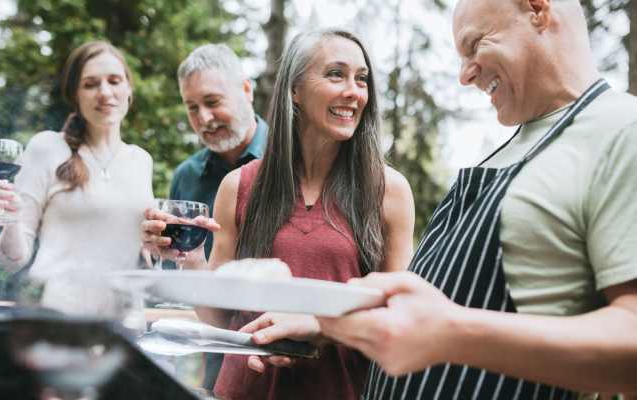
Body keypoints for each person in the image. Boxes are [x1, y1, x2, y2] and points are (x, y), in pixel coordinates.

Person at [248, 1, 637, 399]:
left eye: (475, 45)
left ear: (537, 10)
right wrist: (324, 322)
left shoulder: (621, 130)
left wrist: (453, 332)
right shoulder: (516, 144)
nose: (465, 74)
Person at [143, 28, 415, 400]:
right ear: (295, 91)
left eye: (362, 79)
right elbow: (218, 318)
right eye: (336, 74)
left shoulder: (390, 190)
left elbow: (399, 318)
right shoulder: (238, 186)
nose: (354, 91)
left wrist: (320, 325)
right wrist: (187, 254)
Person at [0, 41, 153, 315]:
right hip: (57, 322)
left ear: (128, 89)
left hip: (124, 327)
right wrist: (11, 218)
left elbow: (142, 255)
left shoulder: (142, 160)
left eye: (114, 80)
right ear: (76, 95)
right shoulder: (47, 147)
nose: (105, 92)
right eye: (90, 84)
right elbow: (12, 260)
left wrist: (159, 247)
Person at [164, 43, 268, 391]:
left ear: (246, 90)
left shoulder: (293, 161)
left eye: (212, 102)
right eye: (192, 108)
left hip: (284, 361)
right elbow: (181, 281)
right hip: (217, 365)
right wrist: (165, 250)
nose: (204, 119)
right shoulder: (186, 177)